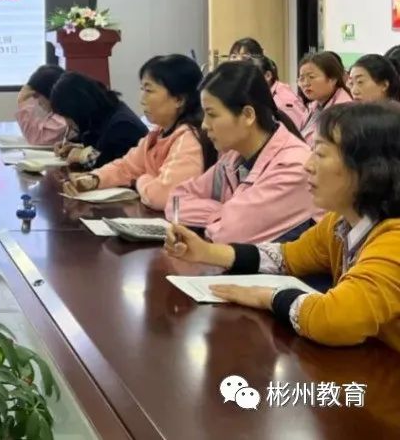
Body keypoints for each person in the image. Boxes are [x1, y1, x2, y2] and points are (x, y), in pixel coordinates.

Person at [165, 103, 400, 351]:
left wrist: (267, 297)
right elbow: (287, 257)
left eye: (320, 154)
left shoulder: (393, 241)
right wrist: (206, 252)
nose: (308, 165)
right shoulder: (340, 223)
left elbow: (335, 320)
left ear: (369, 168)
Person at [167, 62, 317, 244]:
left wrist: (224, 217)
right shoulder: (233, 158)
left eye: (212, 114)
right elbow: (174, 202)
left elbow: (227, 234)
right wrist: (222, 212)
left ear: (247, 115)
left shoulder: (293, 166)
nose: (204, 125)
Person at [64, 55, 216, 210]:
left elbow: (163, 197)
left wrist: (140, 180)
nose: (142, 99)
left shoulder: (189, 139)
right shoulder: (158, 133)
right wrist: (94, 179)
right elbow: (126, 166)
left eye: (149, 90)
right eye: (142, 89)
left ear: (179, 100)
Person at [49, 72, 148, 168]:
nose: (68, 123)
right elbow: (102, 150)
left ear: (77, 109)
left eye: (67, 116)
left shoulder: (122, 125)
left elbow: (116, 167)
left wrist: (83, 155)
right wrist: (78, 148)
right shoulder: (105, 115)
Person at [297, 52, 352, 146]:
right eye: (301, 79)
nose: (305, 83)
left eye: (311, 77)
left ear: (332, 79)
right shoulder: (314, 106)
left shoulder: (344, 111)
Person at [16, 64, 69, 146]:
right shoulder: (62, 113)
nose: (37, 101)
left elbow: (36, 140)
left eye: (37, 95)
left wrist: (23, 103)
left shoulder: (64, 121)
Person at [250, 55, 307, 129]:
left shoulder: (282, 101)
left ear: (268, 76)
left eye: (250, 76)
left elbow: (296, 132)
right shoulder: (267, 95)